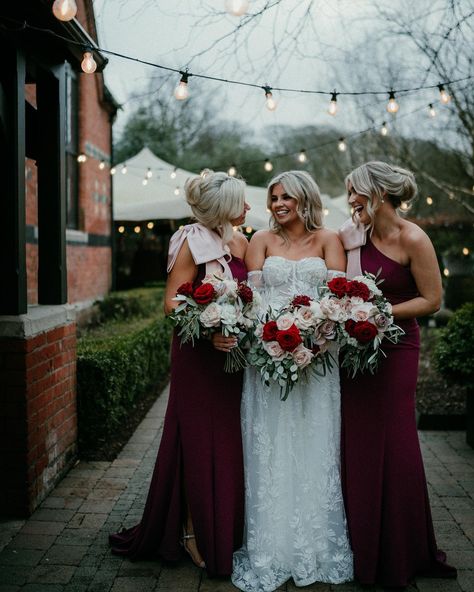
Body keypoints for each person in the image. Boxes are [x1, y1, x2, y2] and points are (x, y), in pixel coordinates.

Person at [110, 170, 251, 577]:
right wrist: (210, 333)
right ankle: (189, 531)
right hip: (198, 357)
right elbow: (172, 304)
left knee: (227, 442)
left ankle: (226, 524)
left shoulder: (242, 240)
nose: (247, 208)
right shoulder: (191, 240)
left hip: (233, 359)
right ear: (224, 207)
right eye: (240, 202)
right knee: (199, 442)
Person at [232, 170, 354, 592]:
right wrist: (273, 341)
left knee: (315, 443)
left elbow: (340, 299)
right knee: (273, 446)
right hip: (268, 360)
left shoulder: (329, 239)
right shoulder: (260, 242)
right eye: (274, 198)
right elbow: (252, 303)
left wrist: (317, 340)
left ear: (306, 199)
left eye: (287, 197)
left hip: (320, 360)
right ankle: (271, 548)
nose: (279, 204)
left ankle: (318, 547)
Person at [339, 161, 457, 587]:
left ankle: (403, 547)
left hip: (396, 348)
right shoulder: (354, 238)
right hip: (355, 352)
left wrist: (379, 312)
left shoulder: (414, 238)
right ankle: (361, 543)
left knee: (397, 439)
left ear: (380, 194)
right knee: (358, 441)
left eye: (355, 192)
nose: (350, 200)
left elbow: (432, 300)